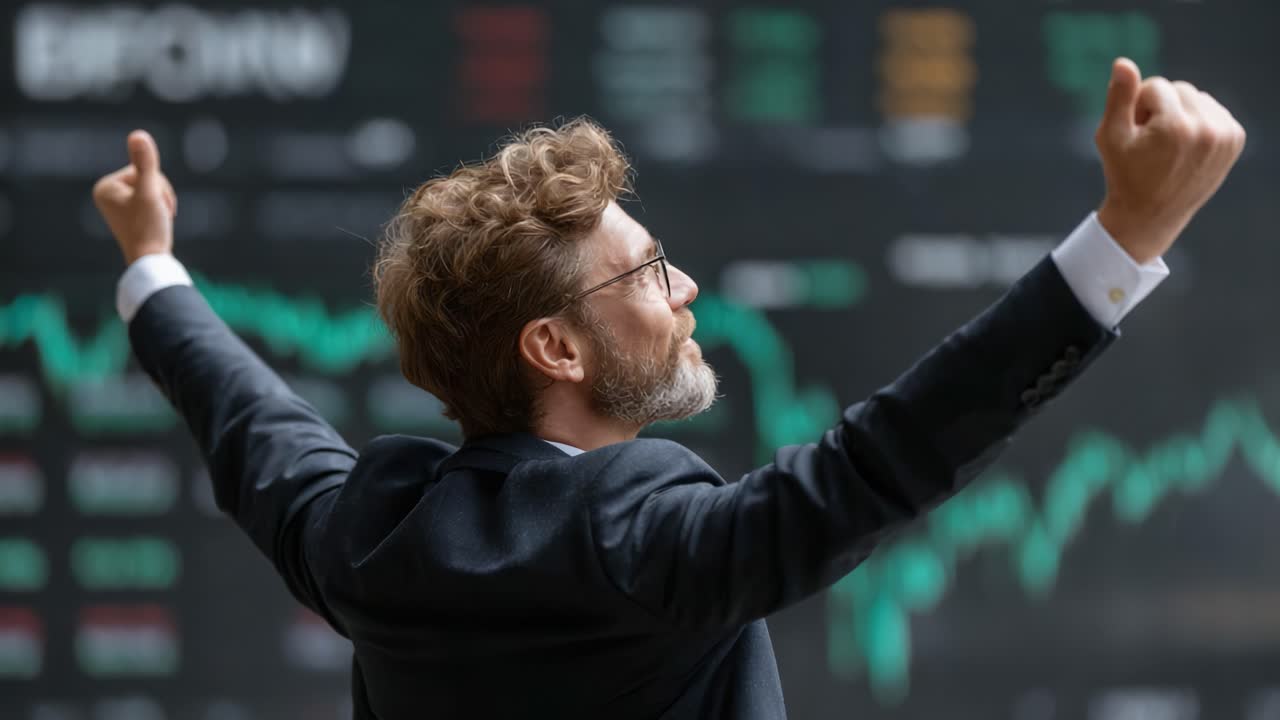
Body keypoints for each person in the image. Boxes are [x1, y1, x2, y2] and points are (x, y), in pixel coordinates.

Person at [92, 58, 1243, 719]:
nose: (684, 284)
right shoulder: (640, 543)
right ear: (556, 349)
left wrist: (153, 268)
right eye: (646, 272)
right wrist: (1120, 238)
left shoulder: (367, 537)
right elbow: (882, 459)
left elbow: (245, 418)